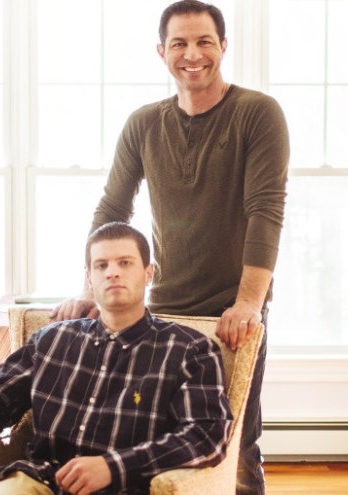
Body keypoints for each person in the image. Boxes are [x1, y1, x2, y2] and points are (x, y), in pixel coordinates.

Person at [52, 2, 289, 494]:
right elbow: (111, 210)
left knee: (236, 441)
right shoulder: (144, 123)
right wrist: (91, 290)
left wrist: (247, 303)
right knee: (160, 440)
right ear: (162, 52)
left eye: (204, 41)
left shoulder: (257, 113)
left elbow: (265, 211)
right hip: (162, 312)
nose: (192, 54)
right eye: (179, 43)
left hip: (232, 310)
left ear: (224, 46)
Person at [0, 222, 232, 495]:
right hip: (38, 479)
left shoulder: (190, 349)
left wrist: (113, 467)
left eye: (125, 263)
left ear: (148, 273)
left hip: (125, 486)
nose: (112, 272)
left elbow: (205, 434)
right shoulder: (51, 341)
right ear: (89, 278)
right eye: (101, 265)